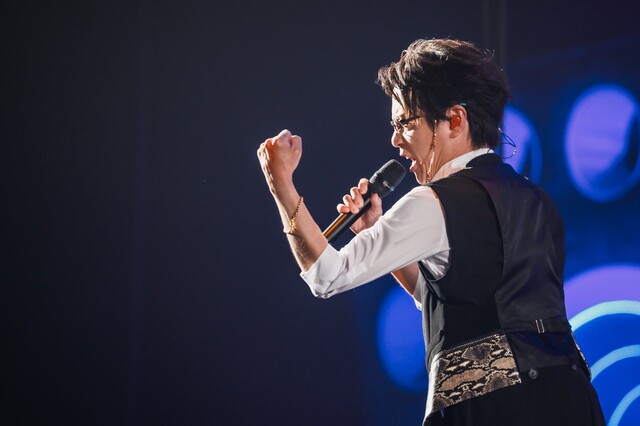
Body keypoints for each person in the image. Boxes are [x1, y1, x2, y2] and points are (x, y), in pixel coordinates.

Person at [257, 38, 605, 425]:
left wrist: (280, 183)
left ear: (454, 120)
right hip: (572, 400)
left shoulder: (434, 201)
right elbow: (454, 299)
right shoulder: (536, 199)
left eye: (405, 123)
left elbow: (327, 275)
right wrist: (377, 232)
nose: (395, 140)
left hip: (495, 408)